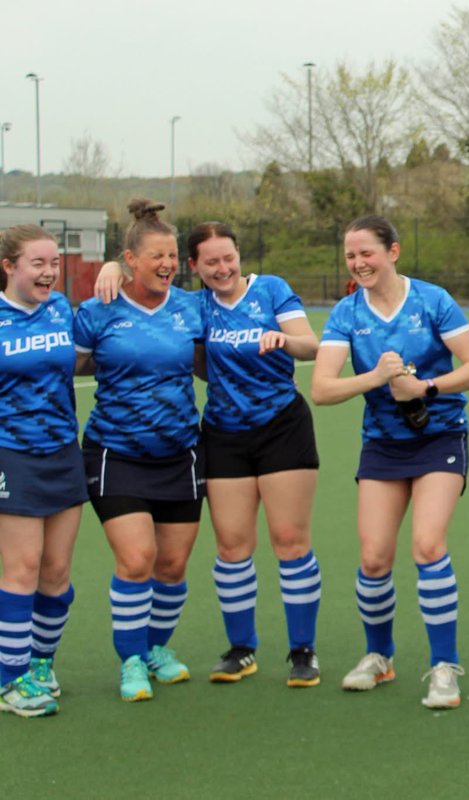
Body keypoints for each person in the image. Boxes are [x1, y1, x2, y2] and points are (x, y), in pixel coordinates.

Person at [96, 223, 325, 687]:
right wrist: (110, 267)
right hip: (222, 433)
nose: (223, 269)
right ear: (194, 267)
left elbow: (310, 343)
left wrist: (285, 341)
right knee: (232, 546)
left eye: (229, 258)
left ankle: (303, 651)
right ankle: (241, 649)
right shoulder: (195, 306)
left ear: (240, 255)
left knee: (289, 539)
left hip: (283, 426)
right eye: (211, 262)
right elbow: (146, 296)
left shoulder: (271, 291)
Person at [311, 214, 469, 710]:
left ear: (392, 251)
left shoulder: (432, 300)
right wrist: (374, 378)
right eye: (350, 255)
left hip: (440, 438)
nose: (358, 262)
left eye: (366, 252)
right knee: (373, 558)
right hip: (383, 445)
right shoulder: (347, 313)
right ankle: (379, 657)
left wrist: (424, 388)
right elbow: (322, 388)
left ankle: (444, 666)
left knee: (428, 546)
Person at [73, 199, 205, 702]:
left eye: (173, 255)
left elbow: (207, 363)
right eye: (157, 256)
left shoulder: (190, 307)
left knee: (171, 566)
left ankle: (156, 648)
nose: (168, 264)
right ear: (130, 259)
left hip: (180, 453)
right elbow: (71, 367)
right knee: (137, 559)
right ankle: (130, 660)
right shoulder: (97, 311)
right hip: (116, 454)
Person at [0, 226, 85, 718]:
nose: (49, 271)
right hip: (11, 454)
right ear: (9, 267)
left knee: (56, 573)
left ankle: (39, 666)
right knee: (23, 568)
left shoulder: (60, 309)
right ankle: (11, 681)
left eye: (53, 262)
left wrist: (115, 268)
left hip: (61, 452)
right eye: (37, 263)